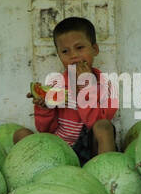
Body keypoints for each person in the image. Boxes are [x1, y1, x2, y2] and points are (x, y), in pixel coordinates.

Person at [13, 17, 117, 164]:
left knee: (104, 127)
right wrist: (44, 107)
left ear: (95, 49)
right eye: (65, 51)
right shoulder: (56, 84)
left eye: (80, 48)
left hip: (90, 152)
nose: (73, 55)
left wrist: (85, 89)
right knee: (21, 134)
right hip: (60, 151)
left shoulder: (106, 84)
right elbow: (45, 130)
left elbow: (97, 123)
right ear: (59, 56)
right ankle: (42, 171)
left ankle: (107, 171)